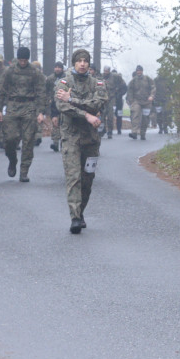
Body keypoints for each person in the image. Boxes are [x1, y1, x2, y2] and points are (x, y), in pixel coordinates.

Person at [55, 49, 108, 234]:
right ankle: (75, 217)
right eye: (79, 61)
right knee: (74, 177)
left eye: (86, 61)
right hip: (71, 136)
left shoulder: (98, 83)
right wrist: (86, 114)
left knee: (87, 178)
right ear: (74, 63)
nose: (83, 64)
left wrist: (72, 99)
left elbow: (98, 103)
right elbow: (62, 106)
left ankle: (81, 211)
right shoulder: (64, 82)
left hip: (91, 138)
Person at [0, 46, 46, 182]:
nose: (23, 62)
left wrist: (41, 112)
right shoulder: (9, 71)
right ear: (17, 59)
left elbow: (41, 92)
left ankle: (24, 171)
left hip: (29, 106)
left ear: (28, 59)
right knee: (10, 138)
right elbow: (1, 90)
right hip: (12, 105)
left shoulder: (35, 72)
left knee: (28, 140)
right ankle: (12, 160)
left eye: (25, 60)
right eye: (21, 60)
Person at [126, 65, 154, 140]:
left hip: (147, 102)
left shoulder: (147, 79)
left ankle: (142, 133)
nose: (139, 72)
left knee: (145, 118)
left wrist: (152, 96)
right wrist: (131, 101)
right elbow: (129, 91)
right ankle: (134, 132)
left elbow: (153, 87)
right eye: (137, 71)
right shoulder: (133, 80)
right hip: (136, 101)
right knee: (135, 115)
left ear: (142, 71)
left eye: (140, 70)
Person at [45, 61, 66, 151]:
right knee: (55, 121)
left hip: (64, 102)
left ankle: (63, 142)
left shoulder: (66, 78)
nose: (57, 69)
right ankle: (55, 142)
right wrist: (48, 99)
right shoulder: (50, 78)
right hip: (53, 102)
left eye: (59, 67)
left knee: (64, 122)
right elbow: (47, 90)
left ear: (62, 69)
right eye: (56, 67)